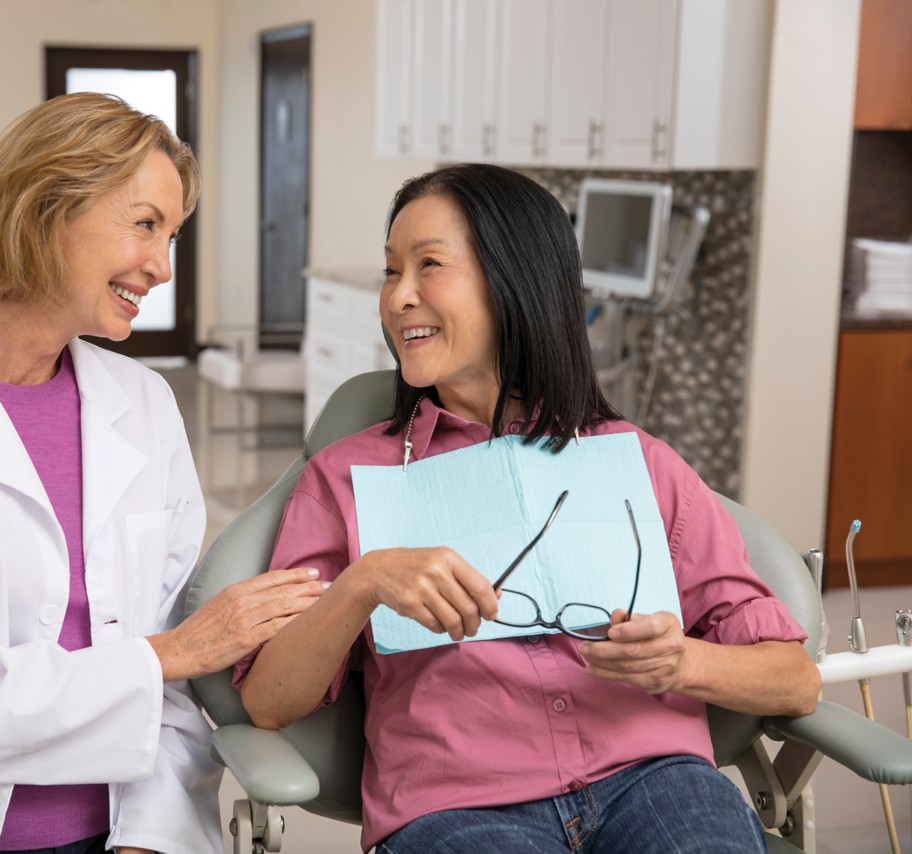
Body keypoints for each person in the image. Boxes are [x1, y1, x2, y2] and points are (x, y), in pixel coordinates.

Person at [0, 93, 323, 854]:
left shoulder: (143, 404)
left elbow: (171, 700)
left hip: (124, 830)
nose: (162, 267)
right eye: (144, 225)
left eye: (172, 236)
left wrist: (149, 839)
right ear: (46, 207)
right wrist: (166, 654)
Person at [235, 163, 820, 853]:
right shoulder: (345, 479)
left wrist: (682, 664)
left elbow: (796, 681)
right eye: (393, 271)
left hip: (656, 784)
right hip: (458, 808)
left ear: (515, 280)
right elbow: (268, 701)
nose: (399, 297)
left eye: (430, 265)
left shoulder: (635, 461)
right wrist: (364, 585)